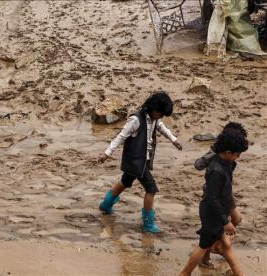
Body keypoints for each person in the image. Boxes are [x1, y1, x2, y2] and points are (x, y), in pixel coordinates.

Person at [98, 91, 182, 233]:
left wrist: (173, 140)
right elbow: (121, 136)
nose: (160, 117)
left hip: (139, 160)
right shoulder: (136, 120)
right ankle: (148, 224)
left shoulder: (154, 119)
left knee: (125, 181)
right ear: (154, 109)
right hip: (136, 161)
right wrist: (107, 153)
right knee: (151, 189)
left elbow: (161, 127)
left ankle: (106, 205)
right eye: (160, 114)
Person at [180, 131, 248, 276]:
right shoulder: (216, 171)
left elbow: (225, 191)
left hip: (219, 211)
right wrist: (225, 221)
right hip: (212, 214)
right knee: (204, 245)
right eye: (237, 154)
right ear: (228, 152)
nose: (238, 157)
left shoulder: (227, 163)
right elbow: (212, 198)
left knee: (216, 245)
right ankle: (185, 273)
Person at [194, 122, 247, 267]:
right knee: (214, 229)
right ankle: (211, 250)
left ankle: (216, 245)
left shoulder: (231, 155)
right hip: (214, 194)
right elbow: (198, 165)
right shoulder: (218, 153)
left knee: (235, 218)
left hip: (225, 191)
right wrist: (212, 154)